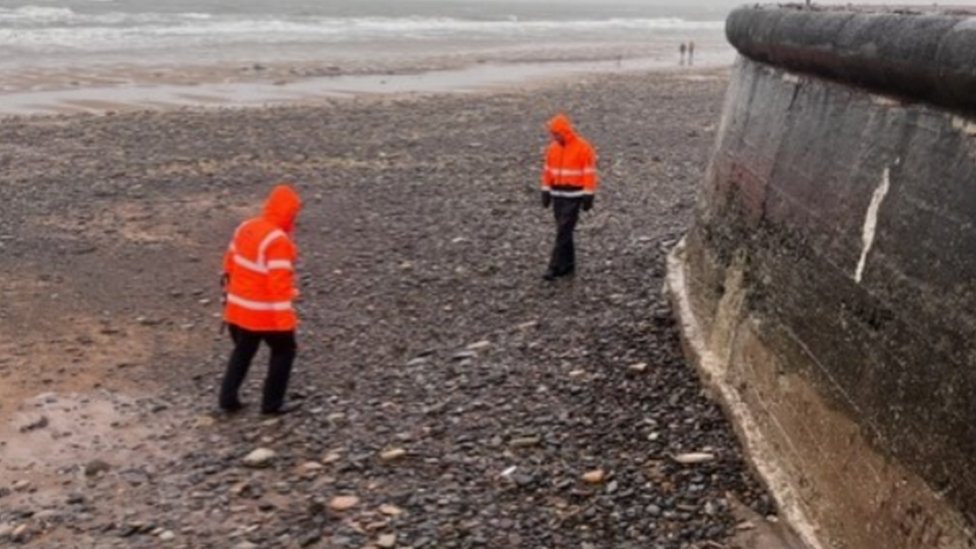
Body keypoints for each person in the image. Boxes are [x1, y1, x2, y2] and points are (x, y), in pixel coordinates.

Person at [218, 183, 303, 415]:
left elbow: (229, 263)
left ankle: (227, 399)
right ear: (289, 213)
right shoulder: (278, 241)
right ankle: (272, 404)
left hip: (238, 309)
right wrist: (285, 320)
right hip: (263, 312)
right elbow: (278, 286)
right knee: (285, 350)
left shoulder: (246, 226)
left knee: (243, 350)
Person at [540, 113, 598, 281]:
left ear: (564, 131)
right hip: (558, 194)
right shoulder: (553, 148)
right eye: (552, 133)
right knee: (564, 230)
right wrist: (545, 190)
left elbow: (589, 172)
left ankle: (553, 265)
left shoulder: (583, 147)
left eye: (556, 133)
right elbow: (547, 170)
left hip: (574, 195)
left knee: (563, 230)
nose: (553, 136)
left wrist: (589, 195)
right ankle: (568, 264)